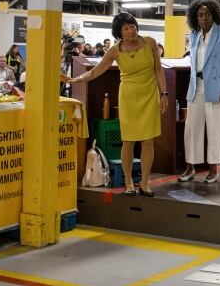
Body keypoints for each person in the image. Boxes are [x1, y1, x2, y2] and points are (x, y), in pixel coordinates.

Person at [68, 12, 167, 197]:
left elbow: (159, 70)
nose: (132, 30)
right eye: (127, 28)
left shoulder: (150, 42)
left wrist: (164, 94)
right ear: (119, 32)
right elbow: (96, 72)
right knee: (128, 140)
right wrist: (76, 80)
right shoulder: (114, 50)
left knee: (148, 140)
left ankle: (145, 183)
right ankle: (129, 183)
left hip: (150, 95)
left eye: (133, 26)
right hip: (129, 97)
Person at [178, 0, 220, 184]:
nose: (203, 18)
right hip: (196, 87)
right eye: (200, 15)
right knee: (191, 128)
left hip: (217, 89)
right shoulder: (194, 34)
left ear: (214, 15)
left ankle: (213, 169)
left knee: (214, 130)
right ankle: (190, 167)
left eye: (207, 14)